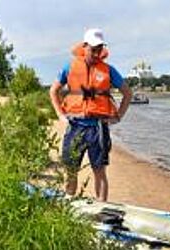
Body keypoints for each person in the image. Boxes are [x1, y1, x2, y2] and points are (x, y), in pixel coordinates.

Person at [49, 28, 132, 202]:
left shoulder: (109, 70)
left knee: (99, 171)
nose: (96, 53)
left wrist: (118, 117)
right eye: (93, 49)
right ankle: (68, 203)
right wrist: (59, 114)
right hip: (75, 126)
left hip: (98, 128)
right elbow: (53, 91)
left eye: (99, 49)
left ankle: (102, 207)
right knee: (71, 169)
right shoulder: (69, 67)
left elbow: (127, 93)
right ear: (84, 46)